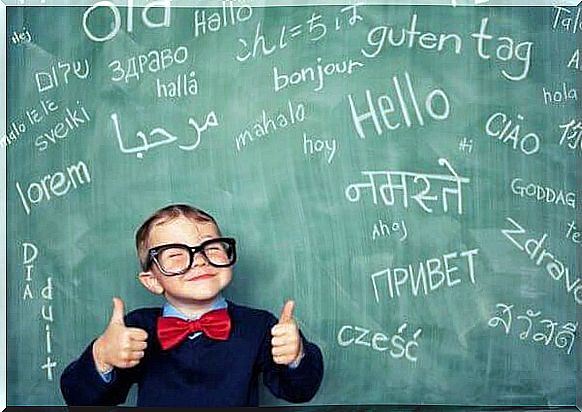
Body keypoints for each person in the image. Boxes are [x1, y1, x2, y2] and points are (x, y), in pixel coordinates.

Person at [60, 204, 324, 407]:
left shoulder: (260, 326)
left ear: (229, 258)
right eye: (175, 254)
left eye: (211, 247)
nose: (199, 260)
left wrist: (297, 357)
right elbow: (81, 400)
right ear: (152, 281)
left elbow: (299, 391)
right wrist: (102, 356)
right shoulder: (135, 329)